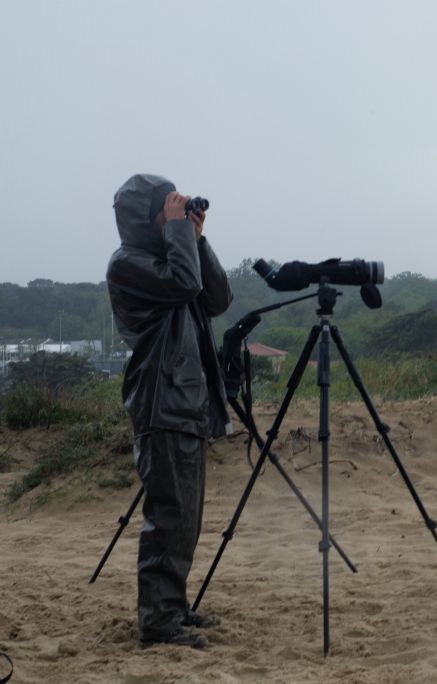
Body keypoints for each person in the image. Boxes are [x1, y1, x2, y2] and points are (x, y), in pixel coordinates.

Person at [107, 174, 234, 648]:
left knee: (187, 519)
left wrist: (196, 239)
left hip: (187, 404)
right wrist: (181, 235)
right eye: (169, 206)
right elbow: (183, 285)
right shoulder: (128, 265)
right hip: (161, 403)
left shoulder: (173, 256)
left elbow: (217, 299)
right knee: (169, 516)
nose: (177, 212)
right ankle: (158, 624)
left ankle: (173, 608)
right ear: (147, 218)